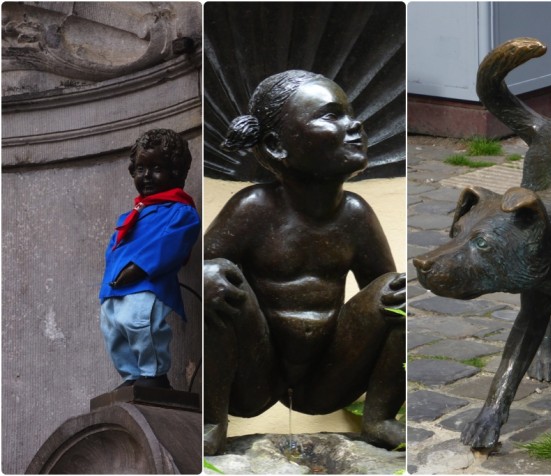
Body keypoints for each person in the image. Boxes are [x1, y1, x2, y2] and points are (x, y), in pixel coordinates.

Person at [204, 70, 406, 454]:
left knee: (398, 294)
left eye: (350, 113)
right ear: (277, 145)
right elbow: (191, 281)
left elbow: (380, 297)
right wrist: (206, 277)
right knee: (214, 275)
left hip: (328, 376)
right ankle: (211, 420)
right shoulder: (253, 209)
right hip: (256, 374)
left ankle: (379, 418)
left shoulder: (355, 215)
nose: (355, 125)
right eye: (331, 115)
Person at [99, 129, 200, 390]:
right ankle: (131, 375)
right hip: (115, 286)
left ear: (176, 172)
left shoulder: (181, 212)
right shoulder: (129, 216)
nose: (146, 176)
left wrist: (137, 268)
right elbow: (115, 248)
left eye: (156, 168)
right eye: (141, 168)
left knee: (140, 324)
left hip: (147, 282)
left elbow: (168, 246)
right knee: (113, 329)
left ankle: (154, 374)